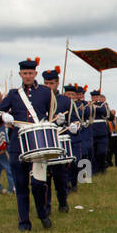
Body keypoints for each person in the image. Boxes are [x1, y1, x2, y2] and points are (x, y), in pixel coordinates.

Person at [0, 59, 56, 231]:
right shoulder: (13, 94)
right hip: (18, 144)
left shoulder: (46, 92)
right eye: (24, 73)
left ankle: (42, 213)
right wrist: (3, 117)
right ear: (20, 74)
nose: (28, 76)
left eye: (30, 73)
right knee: (20, 185)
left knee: (38, 184)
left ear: (35, 74)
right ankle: (24, 223)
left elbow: (53, 116)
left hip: (39, 144)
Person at [42, 68, 70, 214]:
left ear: (57, 83)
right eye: (46, 83)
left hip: (58, 141)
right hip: (43, 141)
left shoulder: (65, 100)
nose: (48, 86)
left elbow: (75, 121)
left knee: (60, 176)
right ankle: (46, 206)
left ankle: (63, 202)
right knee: (44, 177)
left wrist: (69, 125)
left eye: (51, 83)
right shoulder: (39, 97)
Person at [90, 90, 110, 174]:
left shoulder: (102, 105)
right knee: (93, 153)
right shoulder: (88, 105)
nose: (95, 98)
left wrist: (94, 107)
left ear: (99, 97)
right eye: (93, 97)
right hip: (92, 132)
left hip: (102, 132)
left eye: (96, 96)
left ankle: (102, 166)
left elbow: (103, 111)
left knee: (101, 152)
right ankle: (95, 170)